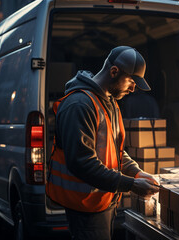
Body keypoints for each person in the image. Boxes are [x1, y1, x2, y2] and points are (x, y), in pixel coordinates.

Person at [46, 46, 160, 240]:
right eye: (131, 81)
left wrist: (136, 172)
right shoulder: (80, 105)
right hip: (85, 205)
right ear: (114, 71)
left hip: (103, 200)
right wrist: (131, 184)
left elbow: (116, 151)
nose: (133, 88)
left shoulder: (109, 102)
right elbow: (82, 162)